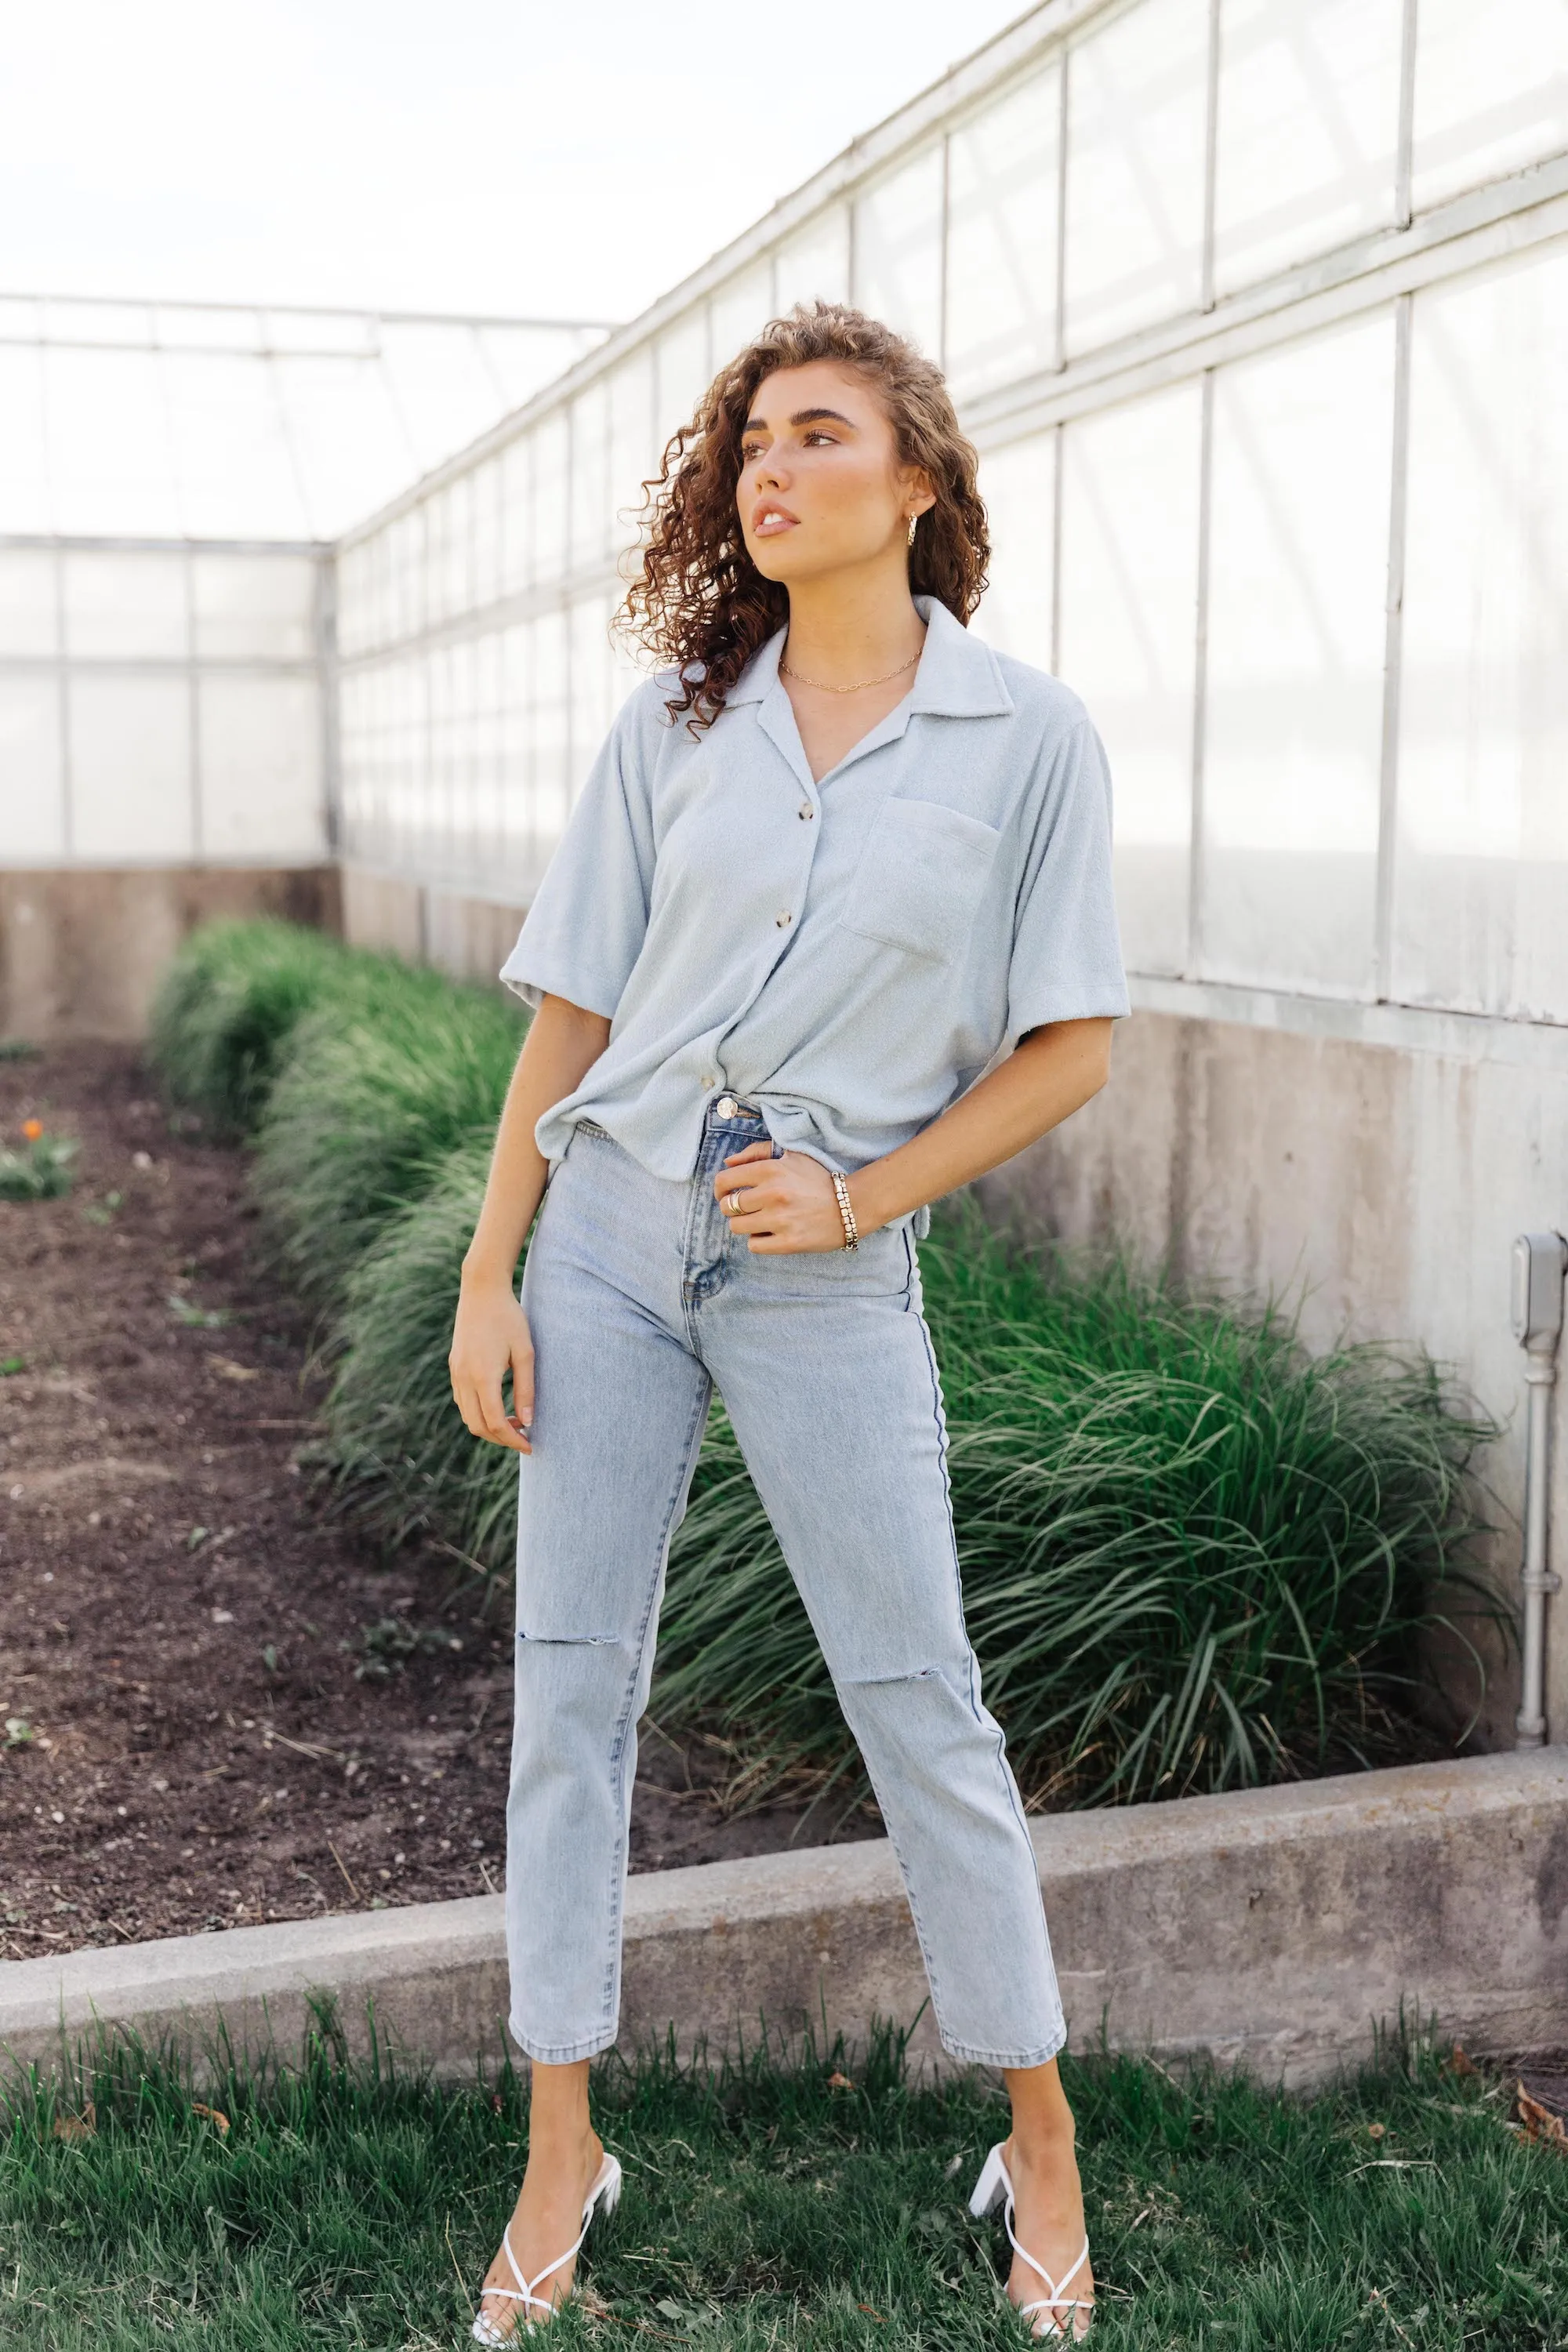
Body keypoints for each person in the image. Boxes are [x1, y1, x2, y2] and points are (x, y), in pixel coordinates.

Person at [449, 303, 1128, 2343]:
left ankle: (1047, 2136)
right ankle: (563, 2144)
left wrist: (857, 1193)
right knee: (572, 1687)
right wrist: (494, 1269)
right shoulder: (668, 726)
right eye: (749, 440)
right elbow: (572, 1009)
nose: (770, 466)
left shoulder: (1029, 741)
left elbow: (1070, 1044)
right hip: (608, 1248)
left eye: (818, 434)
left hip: (829, 1273)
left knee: (920, 1695)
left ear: (917, 480)